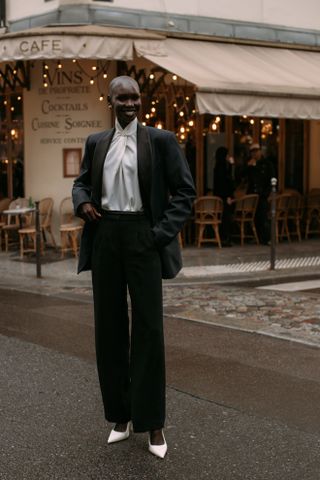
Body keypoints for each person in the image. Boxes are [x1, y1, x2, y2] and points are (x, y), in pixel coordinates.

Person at [72, 75, 195, 459]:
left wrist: (158, 235)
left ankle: (153, 423)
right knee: (108, 330)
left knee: (148, 329)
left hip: (144, 236)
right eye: (123, 98)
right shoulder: (96, 142)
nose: (131, 104)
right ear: (110, 100)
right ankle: (121, 417)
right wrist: (83, 204)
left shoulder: (161, 141)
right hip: (106, 235)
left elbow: (185, 192)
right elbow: (80, 183)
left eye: (136, 98)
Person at [245, 143, 275, 244]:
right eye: (252, 152)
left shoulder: (267, 164)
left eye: (256, 151)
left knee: (263, 216)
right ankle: (254, 237)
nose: (254, 154)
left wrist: (266, 193)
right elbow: (242, 176)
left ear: (260, 152)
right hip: (252, 195)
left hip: (262, 195)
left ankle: (266, 239)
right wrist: (249, 166)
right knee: (252, 217)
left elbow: (271, 179)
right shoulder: (250, 164)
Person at [213, 146, 235, 246]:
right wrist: (228, 196)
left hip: (220, 197)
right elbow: (227, 182)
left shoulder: (218, 167)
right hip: (224, 198)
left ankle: (224, 238)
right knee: (226, 218)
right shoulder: (223, 168)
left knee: (225, 218)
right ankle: (225, 238)